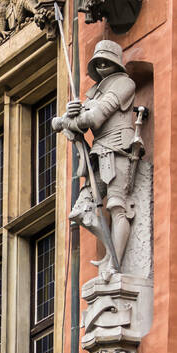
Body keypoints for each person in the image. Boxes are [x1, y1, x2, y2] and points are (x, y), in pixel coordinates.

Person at [52, 40, 140, 279]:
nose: (101, 65)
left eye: (105, 61)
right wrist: (67, 116)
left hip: (119, 148)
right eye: (98, 62)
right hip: (99, 153)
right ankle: (111, 250)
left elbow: (96, 118)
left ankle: (115, 263)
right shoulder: (96, 92)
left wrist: (72, 119)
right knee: (82, 211)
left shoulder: (124, 84)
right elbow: (70, 121)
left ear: (115, 62)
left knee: (116, 205)